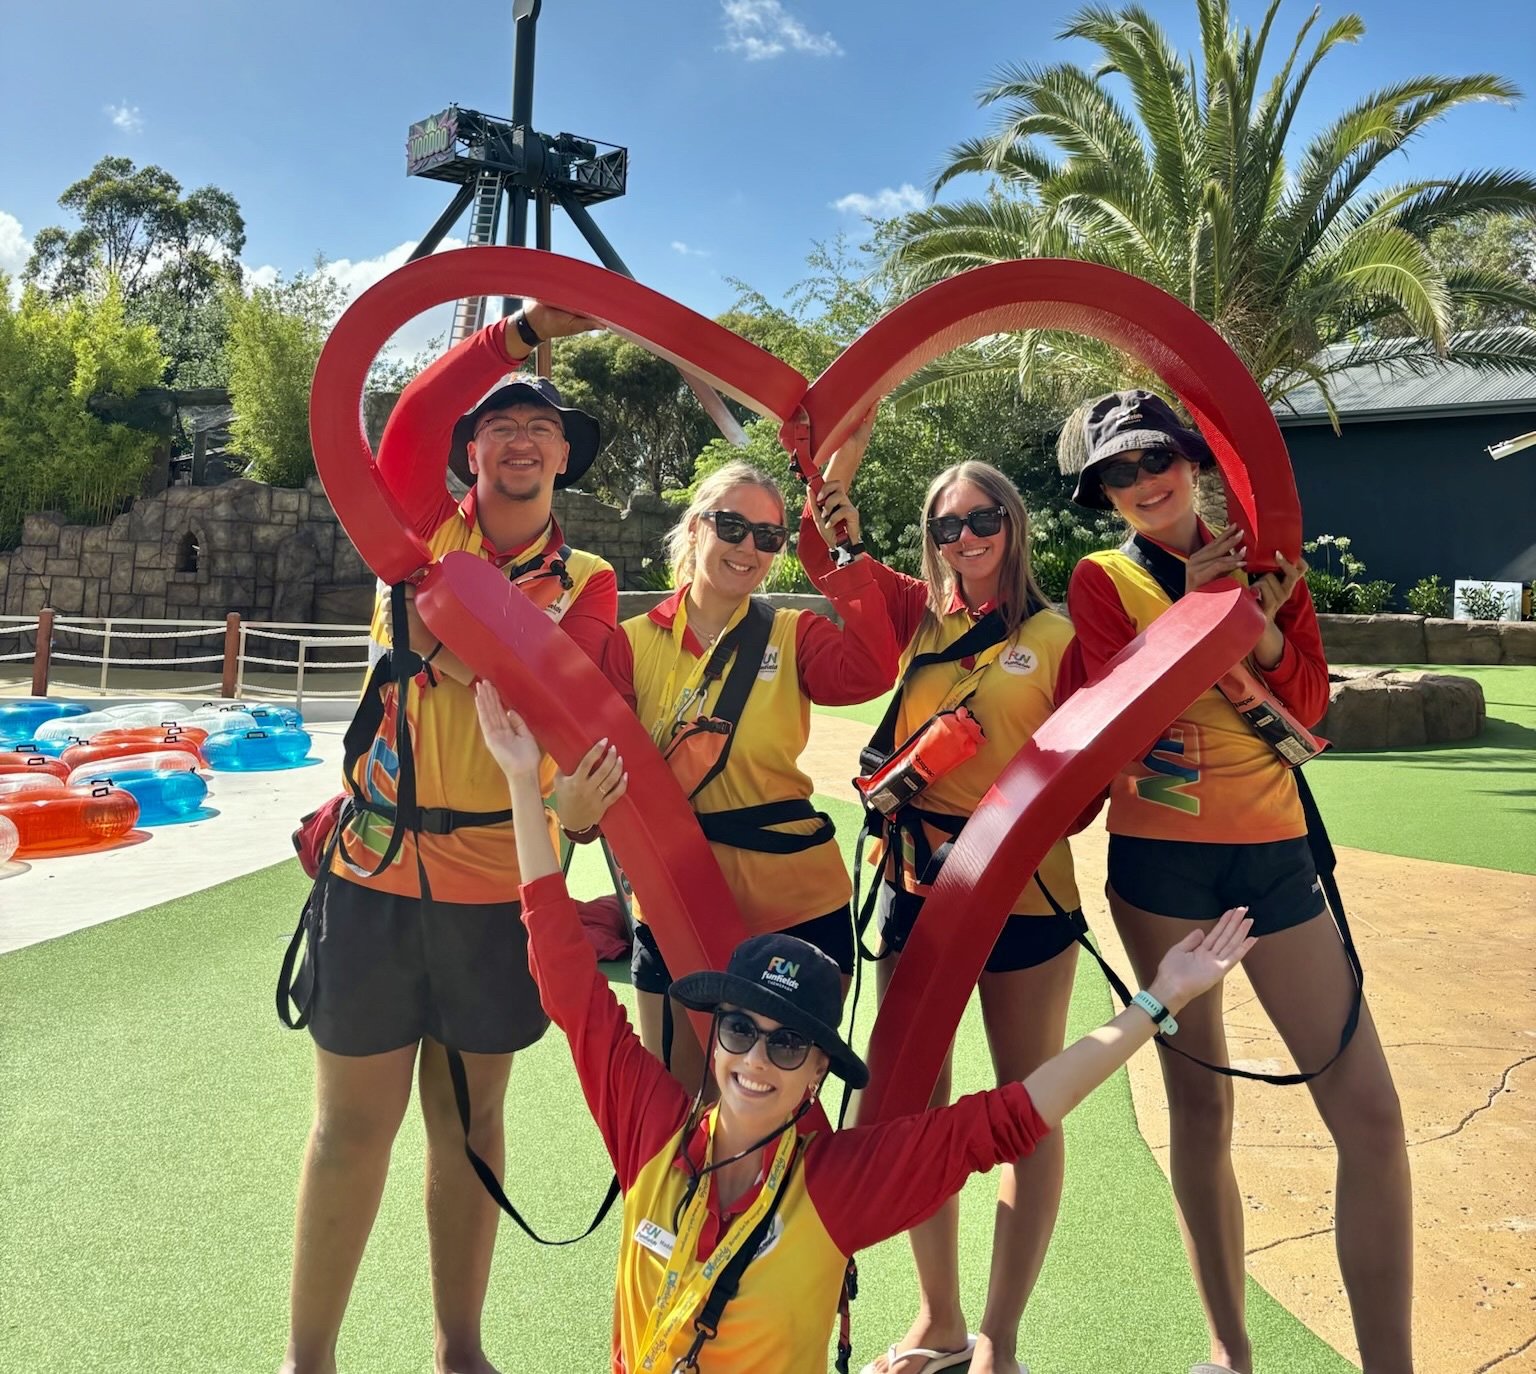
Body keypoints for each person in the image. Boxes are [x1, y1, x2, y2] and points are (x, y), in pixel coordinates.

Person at [474, 679, 1257, 1374]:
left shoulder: (839, 1185)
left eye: (787, 1043)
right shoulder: (653, 1133)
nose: (755, 1059)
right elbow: (568, 981)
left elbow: (1014, 1115)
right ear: (714, 1038)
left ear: (818, 1073)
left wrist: (1157, 1002)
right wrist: (522, 782)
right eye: (741, 1029)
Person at [281, 303, 616, 1374]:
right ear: (473, 450)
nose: (520, 439)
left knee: (469, 1128)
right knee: (347, 1135)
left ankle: (459, 1350)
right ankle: (309, 1359)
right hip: (374, 872)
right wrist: (515, 333)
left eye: (540, 426)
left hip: (500, 892)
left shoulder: (591, 581)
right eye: (499, 425)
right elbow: (405, 420)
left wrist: (451, 634)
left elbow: (560, 699)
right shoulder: (423, 531)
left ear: (565, 454)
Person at [1063, 390, 1412, 1374]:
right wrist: (1196, 611)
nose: (1142, 482)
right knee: (1203, 1103)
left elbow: (1311, 709)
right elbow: (1119, 720)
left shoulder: (1270, 562)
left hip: (1276, 854)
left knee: (1371, 1116)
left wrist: (1251, 617)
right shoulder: (1099, 579)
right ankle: (1228, 1350)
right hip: (1160, 869)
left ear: (1191, 457)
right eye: (1118, 474)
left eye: (1154, 458)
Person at [803, 454, 1088, 1374]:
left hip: (1022, 891)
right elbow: (828, 558)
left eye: (980, 520)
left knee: (1024, 1104)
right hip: (915, 886)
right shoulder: (917, 620)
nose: (963, 540)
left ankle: (1002, 1337)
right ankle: (940, 1320)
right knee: (916, 1099)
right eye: (944, 527)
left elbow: (1086, 792)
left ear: (1013, 522)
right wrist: (831, 498)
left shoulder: (1057, 637)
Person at [557, 458, 897, 1089]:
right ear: (695, 528)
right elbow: (595, 777)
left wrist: (848, 556)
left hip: (798, 903)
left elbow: (872, 672)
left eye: (769, 538)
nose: (749, 548)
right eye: (733, 527)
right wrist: (574, 817)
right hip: (676, 900)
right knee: (681, 1108)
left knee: (786, 1115)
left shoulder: (796, 634)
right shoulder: (627, 644)